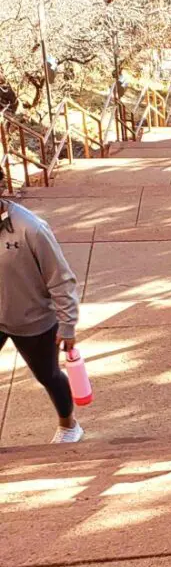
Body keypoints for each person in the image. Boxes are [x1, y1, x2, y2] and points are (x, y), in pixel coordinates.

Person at [0, 169, 83, 443]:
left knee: (48, 375)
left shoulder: (31, 228)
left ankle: (69, 425)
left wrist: (68, 324)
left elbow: (61, 279)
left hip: (33, 320)